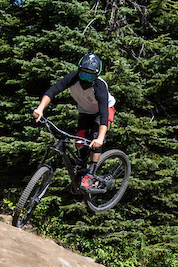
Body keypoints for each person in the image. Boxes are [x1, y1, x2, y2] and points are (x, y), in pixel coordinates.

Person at [32, 53, 116, 192]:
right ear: (79, 70)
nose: (85, 79)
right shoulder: (72, 78)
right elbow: (52, 91)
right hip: (85, 111)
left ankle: (91, 173)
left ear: (96, 76)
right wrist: (40, 109)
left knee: (95, 138)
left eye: (90, 76)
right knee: (80, 140)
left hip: (105, 110)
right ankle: (81, 167)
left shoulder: (100, 87)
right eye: (83, 74)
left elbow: (103, 115)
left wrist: (100, 138)